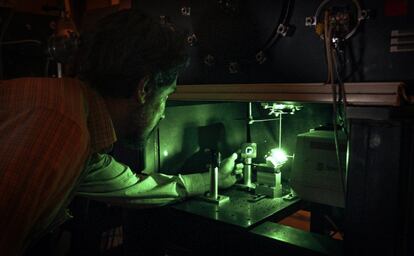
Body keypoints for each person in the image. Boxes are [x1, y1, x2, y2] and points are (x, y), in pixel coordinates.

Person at [0, 9, 243, 255]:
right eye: (167, 96)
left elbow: (133, 187)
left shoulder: (78, 125)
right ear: (145, 88)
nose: (164, 113)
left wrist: (214, 179)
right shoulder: (63, 127)